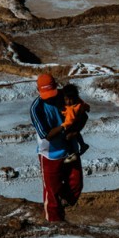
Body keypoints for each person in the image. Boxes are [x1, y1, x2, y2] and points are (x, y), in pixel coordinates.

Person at [30, 73, 83, 222]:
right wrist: (64, 126)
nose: (51, 98)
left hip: (70, 149)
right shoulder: (36, 108)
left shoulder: (66, 96)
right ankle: (55, 225)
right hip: (50, 154)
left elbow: (81, 112)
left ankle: (61, 207)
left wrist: (75, 131)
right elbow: (47, 135)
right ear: (38, 90)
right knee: (52, 193)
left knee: (76, 184)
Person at [60, 83, 90, 164]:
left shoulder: (71, 109)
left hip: (72, 123)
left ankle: (71, 153)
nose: (68, 102)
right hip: (78, 121)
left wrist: (63, 126)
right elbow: (84, 104)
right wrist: (87, 108)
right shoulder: (79, 102)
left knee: (67, 137)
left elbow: (70, 120)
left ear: (75, 98)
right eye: (66, 99)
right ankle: (83, 145)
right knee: (77, 134)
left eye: (70, 99)